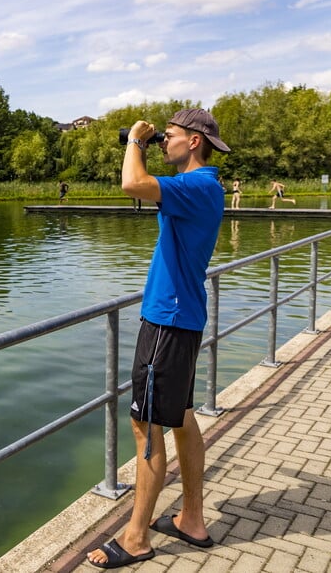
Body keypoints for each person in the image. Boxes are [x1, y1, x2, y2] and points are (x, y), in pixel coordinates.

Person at [88, 108, 229, 568]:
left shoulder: (198, 185)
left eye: (167, 136)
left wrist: (135, 141)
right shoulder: (202, 188)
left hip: (167, 322)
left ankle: (135, 539)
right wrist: (143, 141)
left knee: (146, 425)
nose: (160, 141)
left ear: (193, 142)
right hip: (180, 318)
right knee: (182, 417)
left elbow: (132, 183)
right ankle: (191, 519)